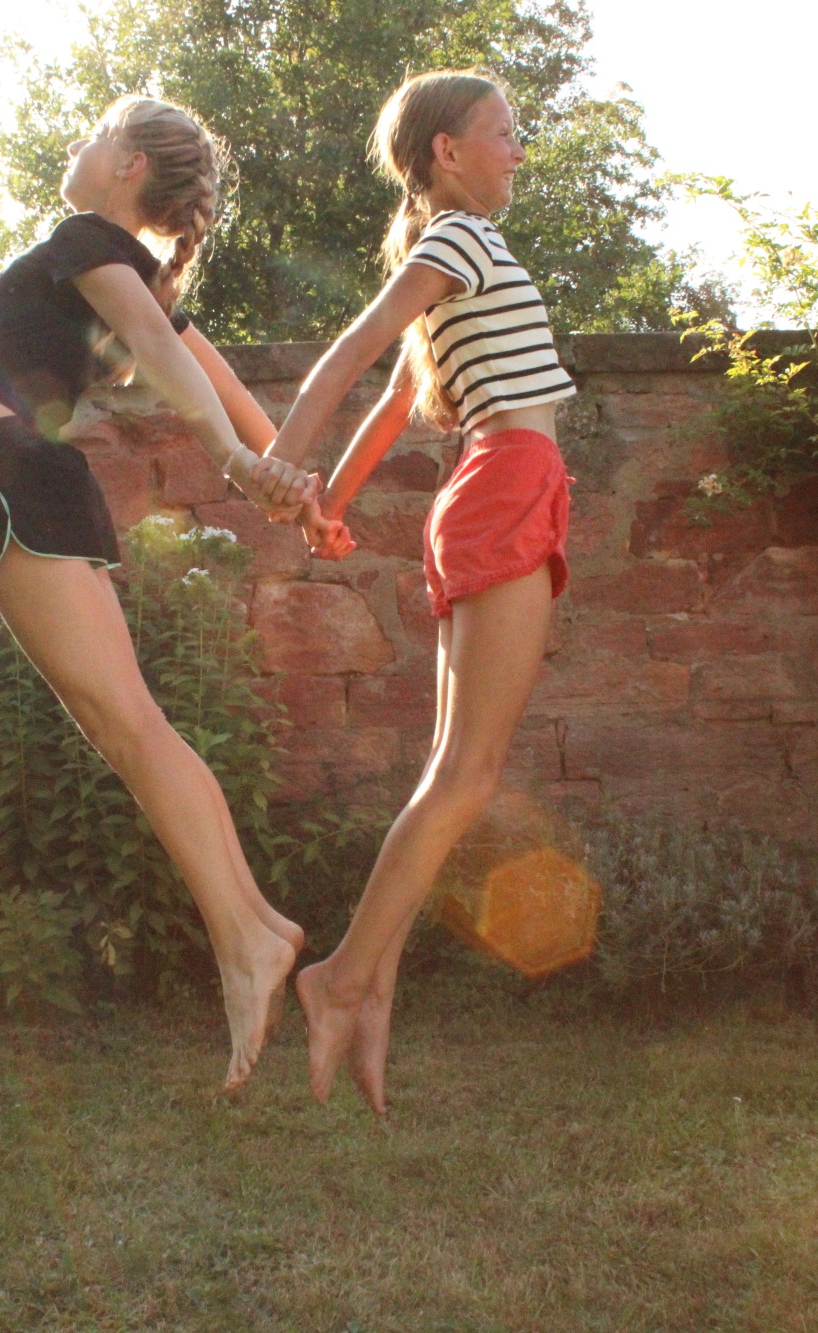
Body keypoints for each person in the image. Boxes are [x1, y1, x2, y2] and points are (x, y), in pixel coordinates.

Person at [0, 95, 316, 1089]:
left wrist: (246, 466)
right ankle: (255, 926)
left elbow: (161, 353)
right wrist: (293, 484)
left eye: (95, 134)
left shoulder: (84, 239)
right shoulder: (110, 262)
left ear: (129, 166)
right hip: (22, 483)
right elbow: (207, 369)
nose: (75, 143)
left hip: (12, 481)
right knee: (131, 727)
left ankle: (245, 942)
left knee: (129, 727)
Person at [267, 71, 577, 1113]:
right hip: (505, 481)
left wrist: (331, 499)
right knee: (467, 776)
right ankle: (339, 979)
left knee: (451, 776)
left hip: (498, 484)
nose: (517, 150)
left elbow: (401, 396)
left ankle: (368, 993)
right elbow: (353, 352)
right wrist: (281, 465)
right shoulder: (459, 239)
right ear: (447, 151)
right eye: (504, 131)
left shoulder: (453, 253)